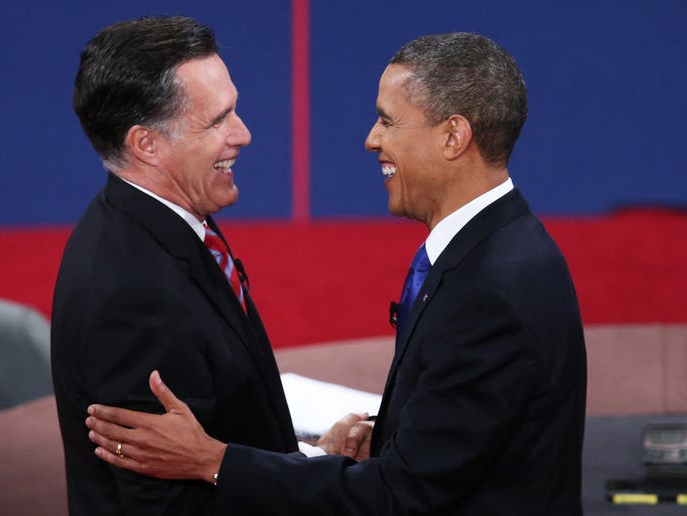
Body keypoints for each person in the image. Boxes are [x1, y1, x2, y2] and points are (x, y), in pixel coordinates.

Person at [85, 31, 588, 515]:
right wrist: (394, 438)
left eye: (388, 122)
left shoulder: (493, 286)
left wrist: (212, 461)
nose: (371, 140)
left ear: (453, 136)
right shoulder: (488, 250)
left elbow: (401, 496)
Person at [51, 15, 344, 515]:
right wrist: (320, 481)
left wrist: (307, 457)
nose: (244, 134)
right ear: (147, 145)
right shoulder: (133, 295)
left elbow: (212, 434)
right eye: (217, 121)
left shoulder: (167, 221)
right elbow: (167, 506)